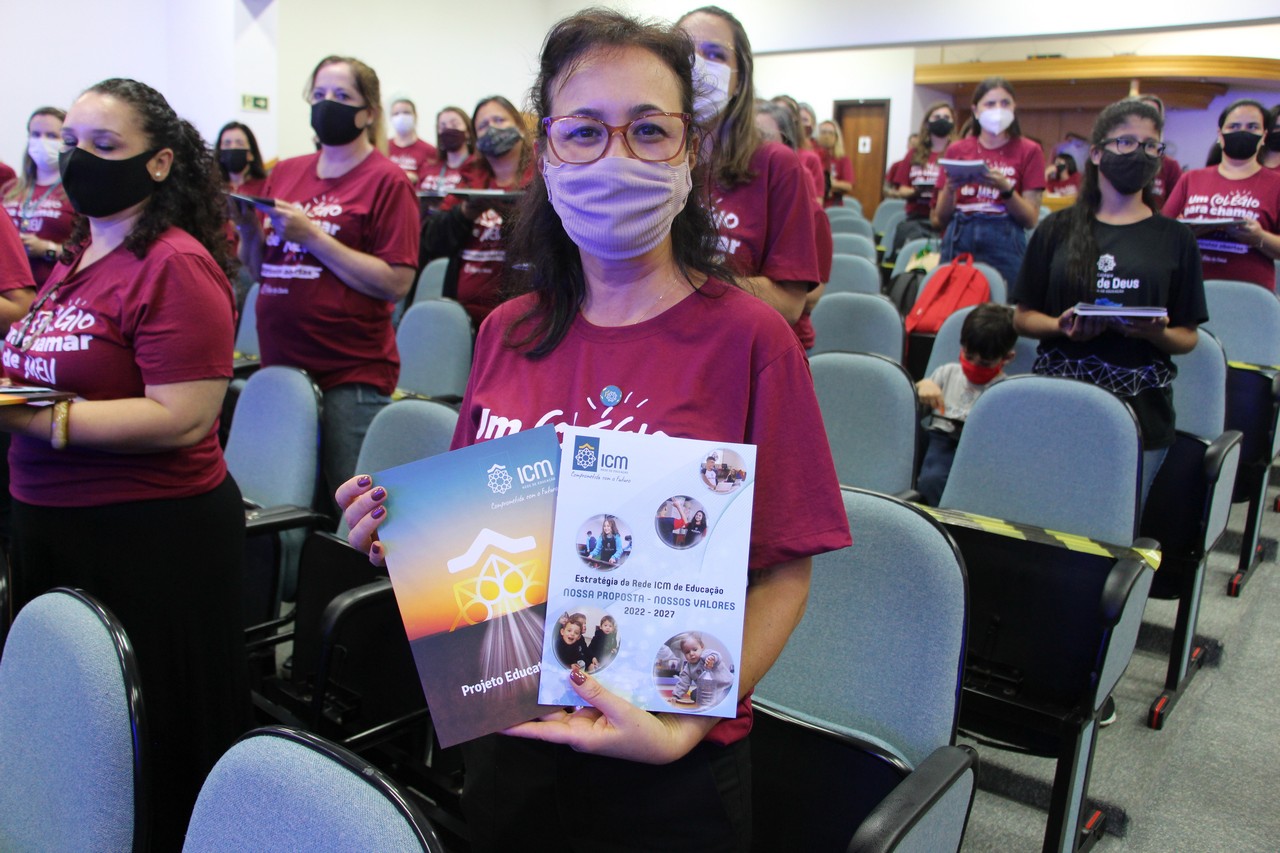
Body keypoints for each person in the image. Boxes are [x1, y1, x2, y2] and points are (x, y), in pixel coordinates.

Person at [339, 10, 849, 850]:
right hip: (512, 733)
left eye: (648, 130)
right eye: (583, 131)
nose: (616, 157)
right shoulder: (506, 329)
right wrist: (404, 538)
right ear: (546, 152)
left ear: (689, 150)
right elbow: (483, 537)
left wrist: (680, 729)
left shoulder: (752, 340)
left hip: (668, 760)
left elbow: (785, 574)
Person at [0, 77, 248, 848]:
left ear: (159, 161)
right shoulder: (80, 256)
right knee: (78, 737)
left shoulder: (175, 264)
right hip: (54, 525)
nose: (78, 159)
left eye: (104, 146)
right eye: (71, 142)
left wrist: (40, 418)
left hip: (147, 537)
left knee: (146, 745)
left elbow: (183, 415)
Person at [237, 55, 419, 498]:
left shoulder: (387, 181)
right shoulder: (286, 171)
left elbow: (396, 282)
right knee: (282, 500)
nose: (326, 103)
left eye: (341, 95)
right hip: (281, 365)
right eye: (318, 94)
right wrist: (247, 230)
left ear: (368, 112)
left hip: (348, 373)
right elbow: (262, 270)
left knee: (351, 506)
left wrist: (313, 237)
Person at [1012, 98, 1207, 505]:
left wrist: (1156, 334)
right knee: (1049, 512)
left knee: (1117, 520)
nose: (1140, 153)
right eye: (1126, 142)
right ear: (1097, 153)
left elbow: (1188, 336)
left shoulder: (1176, 238)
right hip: (1060, 401)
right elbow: (1023, 317)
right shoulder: (1056, 228)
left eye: (1151, 146)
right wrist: (1060, 326)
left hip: (1142, 411)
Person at [677, 6, 820, 337]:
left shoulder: (776, 164)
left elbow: (789, 303)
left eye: (715, 54)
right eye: (685, 53)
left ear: (739, 79)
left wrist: (692, 286)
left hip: (743, 344)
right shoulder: (653, 161)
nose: (698, 66)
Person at [420, 95, 533, 330]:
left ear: (520, 128)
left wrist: (509, 215)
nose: (492, 129)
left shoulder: (540, 181)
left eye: (499, 120)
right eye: (483, 125)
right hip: (462, 318)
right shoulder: (470, 178)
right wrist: (464, 213)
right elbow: (432, 240)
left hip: (521, 315)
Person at [933, 77, 1046, 290]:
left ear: (1014, 108)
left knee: (1004, 302)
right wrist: (950, 188)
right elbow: (940, 218)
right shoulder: (957, 149)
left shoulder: (1030, 150)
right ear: (976, 111)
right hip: (961, 231)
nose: (998, 110)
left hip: (1005, 234)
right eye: (990, 104)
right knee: (953, 300)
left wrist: (1006, 189)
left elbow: (1030, 219)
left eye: (1005, 103)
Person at [1162, 98, 1280, 290]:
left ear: (1264, 136)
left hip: (1251, 293)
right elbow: (1161, 233)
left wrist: (1258, 237)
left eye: (1252, 127)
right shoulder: (1191, 178)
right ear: (1220, 134)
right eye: (1234, 126)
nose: (1242, 132)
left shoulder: (1276, 184)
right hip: (1191, 286)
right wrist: (1186, 233)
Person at [915, 303, 1017, 506]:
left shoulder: (1005, 390)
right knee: (931, 479)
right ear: (962, 347)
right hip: (941, 439)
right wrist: (922, 386)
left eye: (985, 363)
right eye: (968, 357)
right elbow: (911, 402)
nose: (974, 365)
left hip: (978, 449)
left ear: (1007, 358)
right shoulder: (946, 372)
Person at [4, 107, 74, 286]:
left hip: (55, 288)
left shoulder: (77, 192)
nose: (42, 142)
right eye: (35, 135)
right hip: (11, 288)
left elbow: (92, 252)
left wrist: (47, 249)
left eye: (52, 136)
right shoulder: (9, 189)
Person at [887, 101, 956, 253]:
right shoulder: (914, 154)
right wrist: (916, 191)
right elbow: (902, 189)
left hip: (946, 221)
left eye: (946, 117)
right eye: (936, 117)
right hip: (916, 218)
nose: (941, 120)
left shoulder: (957, 153)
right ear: (927, 123)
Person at [418, 105, 474, 216]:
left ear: (467, 132)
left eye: (454, 124)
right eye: (442, 126)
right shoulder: (428, 167)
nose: (448, 129)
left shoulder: (476, 168)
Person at [1134, 94, 1183, 204]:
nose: (1147, 120)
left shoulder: (1170, 166)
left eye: (1154, 115)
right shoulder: (1120, 160)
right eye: (1143, 113)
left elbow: (1177, 205)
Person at [387, 97, 438, 186]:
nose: (401, 117)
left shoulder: (430, 150)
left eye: (406, 113)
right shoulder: (382, 147)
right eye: (396, 114)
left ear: (415, 116)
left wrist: (415, 178)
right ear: (391, 118)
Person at [216, 120, 269, 197]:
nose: (233, 147)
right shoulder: (214, 189)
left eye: (240, 143)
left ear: (251, 154)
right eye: (227, 144)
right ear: (220, 153)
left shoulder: (265, 188)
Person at [815, 119, 855, 208]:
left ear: (836, 136)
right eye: (823, 132)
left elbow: (848, 185)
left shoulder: (843, 159)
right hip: (815, 204)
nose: (827, 136)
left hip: (833, 205)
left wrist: (829, 183)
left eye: (830, 133)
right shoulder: (813, 157)